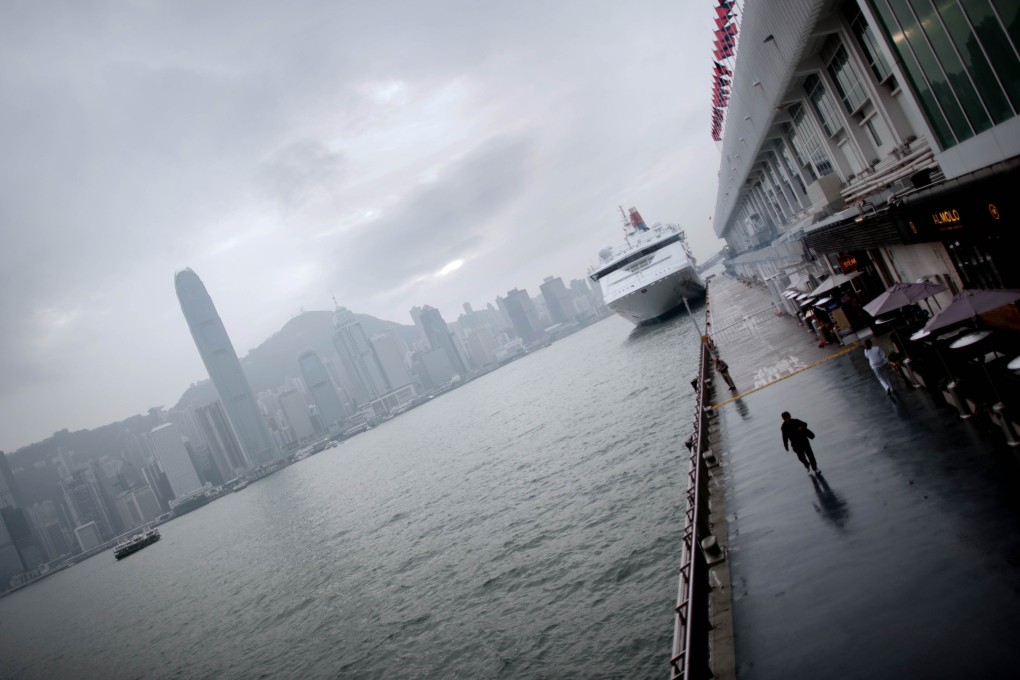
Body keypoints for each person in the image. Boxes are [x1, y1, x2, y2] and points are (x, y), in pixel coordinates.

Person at [781, 411, 819, 475]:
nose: (789, 417)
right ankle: (807, 465)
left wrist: (801, 427)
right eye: (787, 417)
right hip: (796, 445)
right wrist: (786, 445)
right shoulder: (784, 427)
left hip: (804, 441)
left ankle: (815, 468)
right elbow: (784, 437)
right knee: (801, 458)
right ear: (784, 418)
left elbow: (805, 424)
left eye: (789, 416)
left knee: (810, 455)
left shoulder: (795, 421)